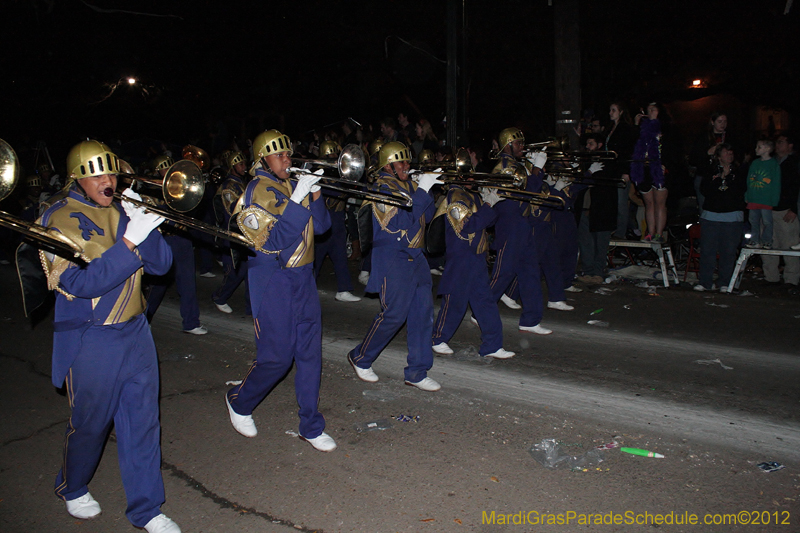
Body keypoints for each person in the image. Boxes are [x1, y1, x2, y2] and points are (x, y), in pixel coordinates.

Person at [39, 140, 181, 533]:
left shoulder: (121, 209)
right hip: (91, 339)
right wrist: (130, 242)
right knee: (91, 424)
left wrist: (142, 222)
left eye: (112, 173)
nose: (109, 181)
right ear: (78, 179)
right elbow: (82, 283)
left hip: (136, 332)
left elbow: (163, 264)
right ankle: (71, 486)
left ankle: (147, 509)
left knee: (144, 422)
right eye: (98, 175)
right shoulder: (57, 219)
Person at [225, 129, 336, 452]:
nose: (288, 160)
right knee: (276, 359)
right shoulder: (255, 191)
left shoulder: (291, 184)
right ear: (262, 160)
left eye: (288, 154)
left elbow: (323, 227)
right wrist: (299, 197)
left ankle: (310, 425)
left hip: (303, 278)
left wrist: (314, 195)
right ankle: (239, 401)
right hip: (273, 281)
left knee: (309, 354)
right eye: (280, 155)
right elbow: (274, 242)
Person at [347, 141, 444, 390]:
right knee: (393, 314)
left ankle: (417, 371)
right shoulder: (381, 188)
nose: (407, 166)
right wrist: (421, 190)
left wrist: (428, 188)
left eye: (407, 161)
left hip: (416, 256)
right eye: (401, 161)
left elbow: (427, 215)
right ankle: (360, 357)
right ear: (388, 164)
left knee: (423, 315)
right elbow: (400, 221)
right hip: (393, 256)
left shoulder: (409, 184)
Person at [431, 177, 515, 360]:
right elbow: (467, 226)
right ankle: (438, 338)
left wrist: (489, 203)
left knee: (485, 301)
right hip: (461, 256)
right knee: (455, 301)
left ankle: (492, 345)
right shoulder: (454, 197)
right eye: (468, 176)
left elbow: (488, 223)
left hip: (476, 256)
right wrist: (487, 204)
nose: (473, 179)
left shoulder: (471, 195)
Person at [486, 128, 552, 333]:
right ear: (507, 145)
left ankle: (531, 320)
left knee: (531, 272)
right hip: (510, 223)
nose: (522, 147)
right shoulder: (505, 166)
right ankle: (481, 311)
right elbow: (528, 193)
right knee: (503, 273)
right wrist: (537, 169)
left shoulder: (516, 165)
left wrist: (533, 166)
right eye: (518, 144)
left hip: (522, 222)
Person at [144, 154, 208, 335]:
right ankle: (143, 319)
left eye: (168, 166)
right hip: (163, 241)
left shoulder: (178, 185)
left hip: (182, 238)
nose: (168, 170)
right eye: (163, 167)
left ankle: (191, 322)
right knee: (158, 285)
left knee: (188, 282)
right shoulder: (150, 190)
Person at [312, 140, 361, 302]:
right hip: (325, 224)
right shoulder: (320, 179)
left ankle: (344, 289)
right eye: (331, 156)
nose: (334, 160)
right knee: (315, 260)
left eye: (336, 156)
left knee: (340, 257)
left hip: (338, 223)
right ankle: (306, 288)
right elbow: (326, 203)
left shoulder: (339, 176)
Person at [695, 143, 746, 292]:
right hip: (711, 216)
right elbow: (704, 189)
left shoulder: (739, 171)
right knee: (707, 251)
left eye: (731, 152)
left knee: (728, 251)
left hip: (732, 218)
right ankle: (705, 282)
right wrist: (718, 179)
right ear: (718, 156)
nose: (729, 155)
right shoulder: (710, 171)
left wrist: (728, 179)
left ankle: (725, 282)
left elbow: (740, 190)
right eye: (726, 152)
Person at [211, 151, 252, 313]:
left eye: (244, 163)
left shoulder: (240, 182)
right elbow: (234, 211)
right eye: (240, 164)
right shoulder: (228, 187)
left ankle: (251, 307)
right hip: (231, 234)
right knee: (236, 272)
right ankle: (219, 296)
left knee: (249, 270)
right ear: (232, 166)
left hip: (243, 232)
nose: (244, 167)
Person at [577, 134, 616, 283]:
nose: (587, 147)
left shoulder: (608, 163)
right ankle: (587, 271)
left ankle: (598, 273)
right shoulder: (585, 162)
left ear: (599, 145)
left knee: (600, 244)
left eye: (591, 143)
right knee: (586, 244)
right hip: (585, 209)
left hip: (601, 211)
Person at [762, 134, 799, 285]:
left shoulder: (794, 163)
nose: (777, 145)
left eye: (781, 142)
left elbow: (795, 187)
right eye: (776, 142)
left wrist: (794, 209)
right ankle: (771, 278)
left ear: (790, 145)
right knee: (769, 245)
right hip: (768, 209)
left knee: (789, 246)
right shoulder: (770, 162)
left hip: (786, 210)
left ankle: (791, 280)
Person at [631, 102, 669, 242]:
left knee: (660, 202)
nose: (650, 112)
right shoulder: (642, 129)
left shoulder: (666, 128)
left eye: (653, 109)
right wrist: (636, 124)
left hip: (659, 167)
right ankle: (650, 232)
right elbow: (633, 144)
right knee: (649, 203)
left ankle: (659, 233)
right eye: (648, 110)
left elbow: (673, 150)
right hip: (644, 167)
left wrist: (666, 164)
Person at [690, 112, 731, 214]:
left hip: (724, 175)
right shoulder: (703, 137)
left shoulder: (730, 137)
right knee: (704, 208)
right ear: (712, 122)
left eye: (725, 121)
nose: (723, 124)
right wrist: (708, 152)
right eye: (719, 121)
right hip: (705, 177)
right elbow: (693, 159)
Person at [744, 139, 781, 249]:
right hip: (754, 198)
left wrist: (774, 199)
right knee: (753, 220)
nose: (756, 149)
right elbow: (749, 181)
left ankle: (767, 240)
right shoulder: (755, 163)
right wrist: (747, 195)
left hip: (766, 199)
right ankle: (754, 240)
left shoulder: (773, 164)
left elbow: (776, 183)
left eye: (759, 147)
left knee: (767, 221)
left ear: (768, 149)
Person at [605, 101, 634, 239]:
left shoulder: (625, 129)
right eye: (610, 110)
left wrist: (626, 171)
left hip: (620, 169)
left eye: (613, 110)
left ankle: (621, 232)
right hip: (611, 170)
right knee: (613, 201)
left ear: (621, 112)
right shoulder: (611, 128)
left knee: (621, 202)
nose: (610, 113)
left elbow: (627, 151)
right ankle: (615, 228)